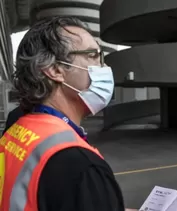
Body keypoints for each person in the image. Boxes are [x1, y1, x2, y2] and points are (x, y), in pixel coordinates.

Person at [0, 16, 137, 211]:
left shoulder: (18, 123)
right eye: (93, 55)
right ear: (55, 70)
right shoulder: (81, 167)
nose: (104, 67)